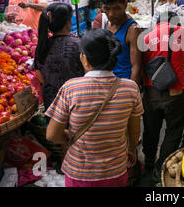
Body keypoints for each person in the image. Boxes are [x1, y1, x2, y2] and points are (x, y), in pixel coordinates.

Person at [46, 29, 143, 187]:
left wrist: (71, 137)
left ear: (84, 59)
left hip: (79, 173)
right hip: (116, 171)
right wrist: (132, 149)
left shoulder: (70, 88)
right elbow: (134, 130)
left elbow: (52, 134)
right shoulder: (131, 88)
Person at [141, 11, 184, 183]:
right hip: (176, 92)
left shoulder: (147, 37)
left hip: (152, 92)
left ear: (157, 23)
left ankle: (148, 162)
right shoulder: (182, 33)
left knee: (150, 128)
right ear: (176, 23)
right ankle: (160, 167)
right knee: (173, 130)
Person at [34, 3, 84, 111]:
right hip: (76, 101)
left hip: (52, 103)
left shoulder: (41, 47)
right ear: (68, 22)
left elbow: (41, 78)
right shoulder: (79, 44)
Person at [92, 0, 142, 85]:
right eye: (106, 9)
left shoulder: (133, 30)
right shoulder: (106, 23)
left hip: (124, 85)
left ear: (125, 3)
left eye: (116, 8)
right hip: (107, 84)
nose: (111, 14)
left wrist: (131, 92)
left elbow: (136, 67)